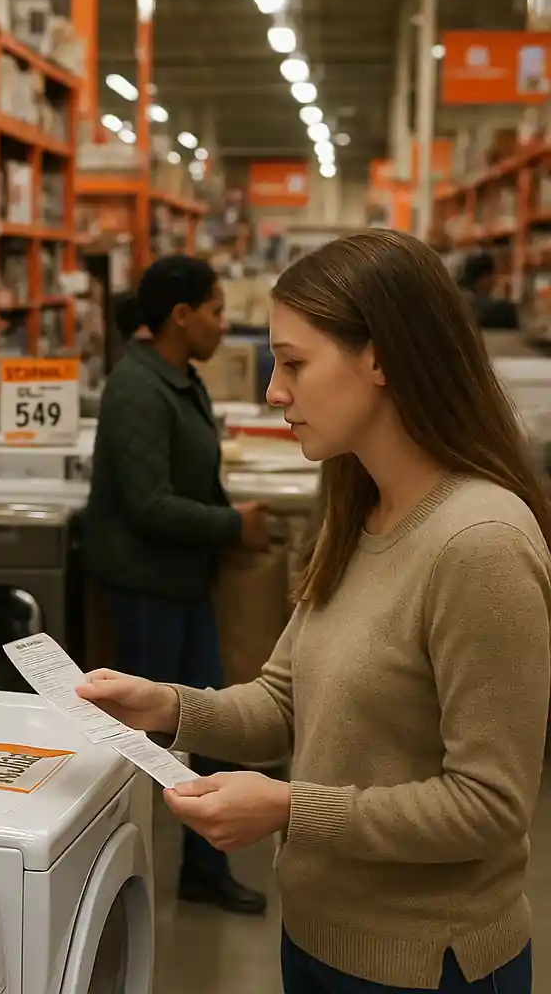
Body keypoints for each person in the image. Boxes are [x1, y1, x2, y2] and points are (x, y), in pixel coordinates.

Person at [77, 230, 550, 993]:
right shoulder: (358, 509)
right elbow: (284, 704)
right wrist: (164, 706)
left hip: (429, 967)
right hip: (317, 941)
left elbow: (490, 807)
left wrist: (289, 807)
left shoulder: (479, 543)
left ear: (381, 357)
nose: (273, 391)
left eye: (294, 363)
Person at [84, 254, 271, 915]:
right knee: (141, 746)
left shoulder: (177, 378)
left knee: (209, 726)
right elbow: (147, 503)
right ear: (181, 315)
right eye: (217, 312)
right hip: (147, 591)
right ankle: (113, 879)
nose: (226, 324)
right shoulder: (137, 388)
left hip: (182, 584)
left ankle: (203, 868)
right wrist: (231, 525)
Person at [459, 250, 518, 330]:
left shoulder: (461, 295)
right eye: (490, 276)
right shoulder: (472, 302)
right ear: (481, 277)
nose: (493, 281)